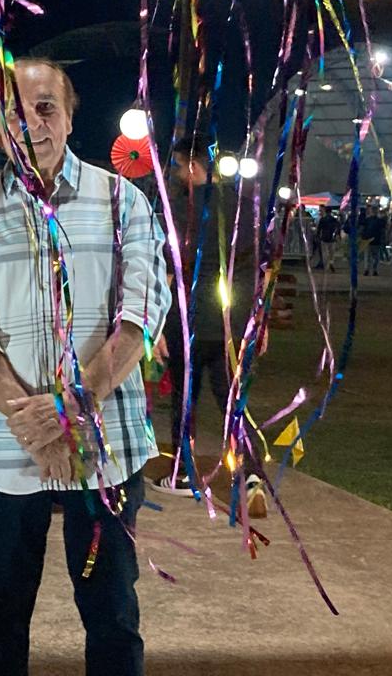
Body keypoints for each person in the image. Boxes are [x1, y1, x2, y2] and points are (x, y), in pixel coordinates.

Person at [0, 57, 168, 676]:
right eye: (12, 113)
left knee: (112, 609)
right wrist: (34, 421)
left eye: (45, 107)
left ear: (70, 116)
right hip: (7, 444)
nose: (31, 124)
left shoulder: (122, 200)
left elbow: (142, 312)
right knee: (0, 607)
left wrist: (73, 408)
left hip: (106, 441)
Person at [154, 134, 258, 515]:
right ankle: (250, 472)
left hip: (189, 322)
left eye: (178, 166)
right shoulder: (242, 207)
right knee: (231, 399)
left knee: (185, 400)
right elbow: (256, 268)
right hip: (232, 321)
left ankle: (184, 472)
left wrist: (157, 327)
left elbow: (168, 273)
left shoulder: (181, 210)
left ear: (193, 165)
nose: (176, 174)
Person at [361, 206, 386, 276]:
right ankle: (374, 270)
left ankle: (367, 269)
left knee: (368, 256)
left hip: (368, 240)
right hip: (376, 240)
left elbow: (363, 229)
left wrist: (363, 236)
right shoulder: (380, 220)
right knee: (375, 256)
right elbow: (383, 230)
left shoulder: (367, 220)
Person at [316, 206, 339, 272]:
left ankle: (326, 266)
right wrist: (337, 235)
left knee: (325, 253)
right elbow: (337, 227)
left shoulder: (322, 219)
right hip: (332, 238)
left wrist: (318, 236)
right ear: (331, 211)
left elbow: (319, 229)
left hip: (324, 237)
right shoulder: (334, 219)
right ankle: (331, 262)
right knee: (332, 252)